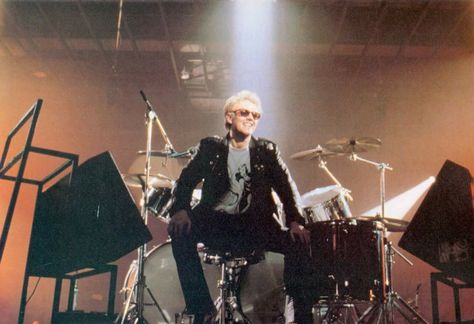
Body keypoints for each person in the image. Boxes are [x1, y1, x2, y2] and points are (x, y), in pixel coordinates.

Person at [167, 90, 316, 323]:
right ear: (229, 118)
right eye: (244, 112)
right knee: (178, 232)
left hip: (255, 227)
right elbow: (184, 182)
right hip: (216, 225)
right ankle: (202, 308)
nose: (251, 118)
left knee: (301, 241)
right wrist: (180, 210)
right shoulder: (210, 148)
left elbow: (288, 190)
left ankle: (300, 317)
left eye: (256, 115)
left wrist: (296, 221)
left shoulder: (267, 152)